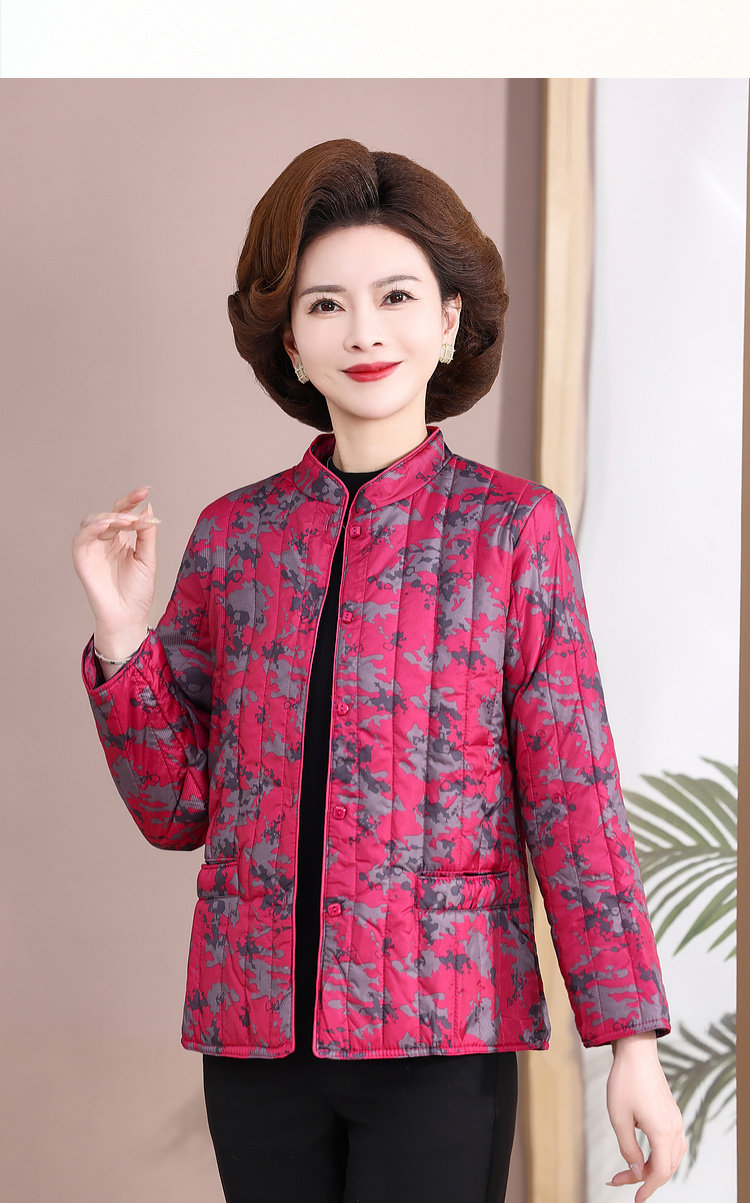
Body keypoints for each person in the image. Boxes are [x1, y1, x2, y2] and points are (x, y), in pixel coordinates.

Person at [72, 138, 686, 1203]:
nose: (363, 332)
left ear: (448, 321)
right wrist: (124, 639)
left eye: (396, 296)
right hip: (255, 1035)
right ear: (291, 343)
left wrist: (629, 1040)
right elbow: (179, 810)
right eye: (326, 306)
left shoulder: (513, 532)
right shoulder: (235, 538)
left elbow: (573, 798)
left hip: (444, 1032)